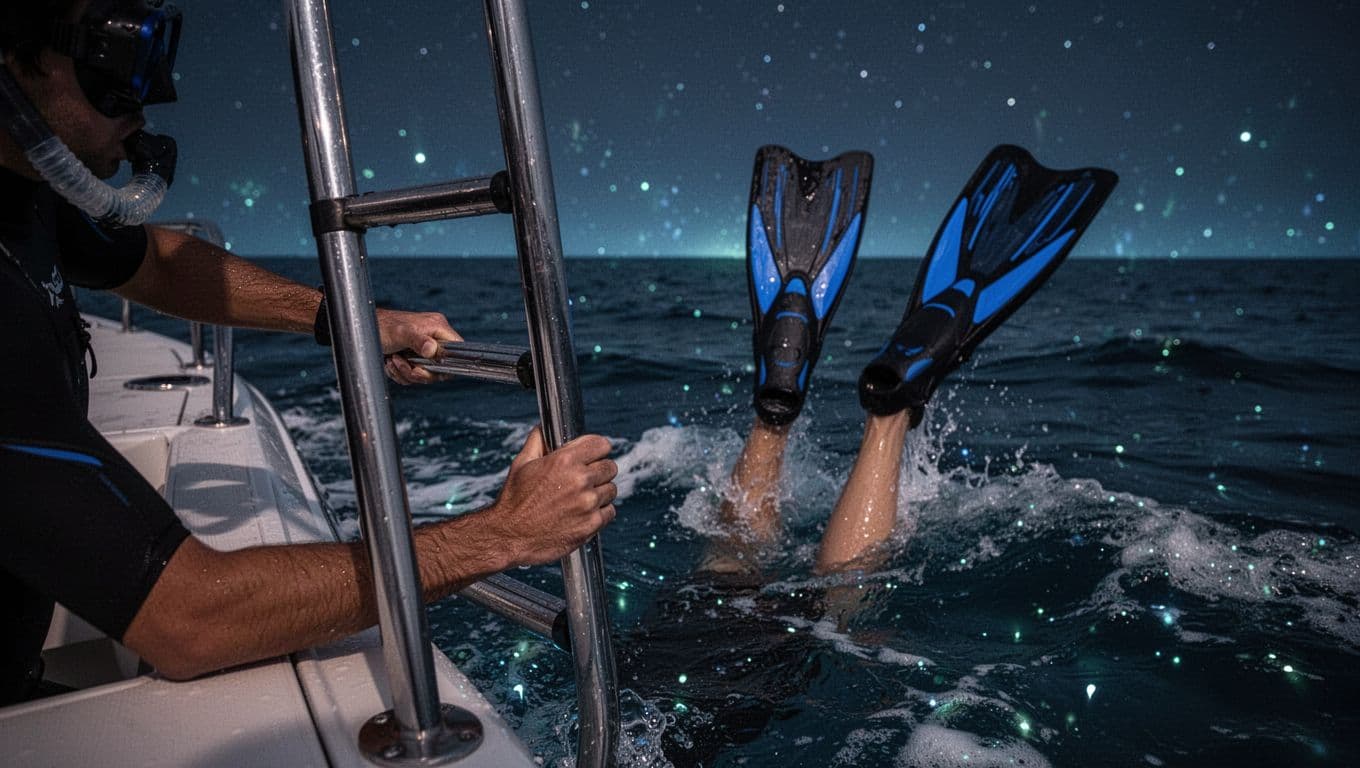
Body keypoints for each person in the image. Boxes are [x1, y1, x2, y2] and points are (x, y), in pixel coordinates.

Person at [0, 0, 618, 705]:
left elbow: (158, 264)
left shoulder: (24, 191)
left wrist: (357, 319)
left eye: (157, 48)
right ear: (16, 52)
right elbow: (188, 617)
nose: (155, 94)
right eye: (121, 53)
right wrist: (502, 535)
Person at [710, 143, 1118, 578]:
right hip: (686, 636)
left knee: (818, 602)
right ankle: (873, 396)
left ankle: (803, 393)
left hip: (673, 644)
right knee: (737, 573)